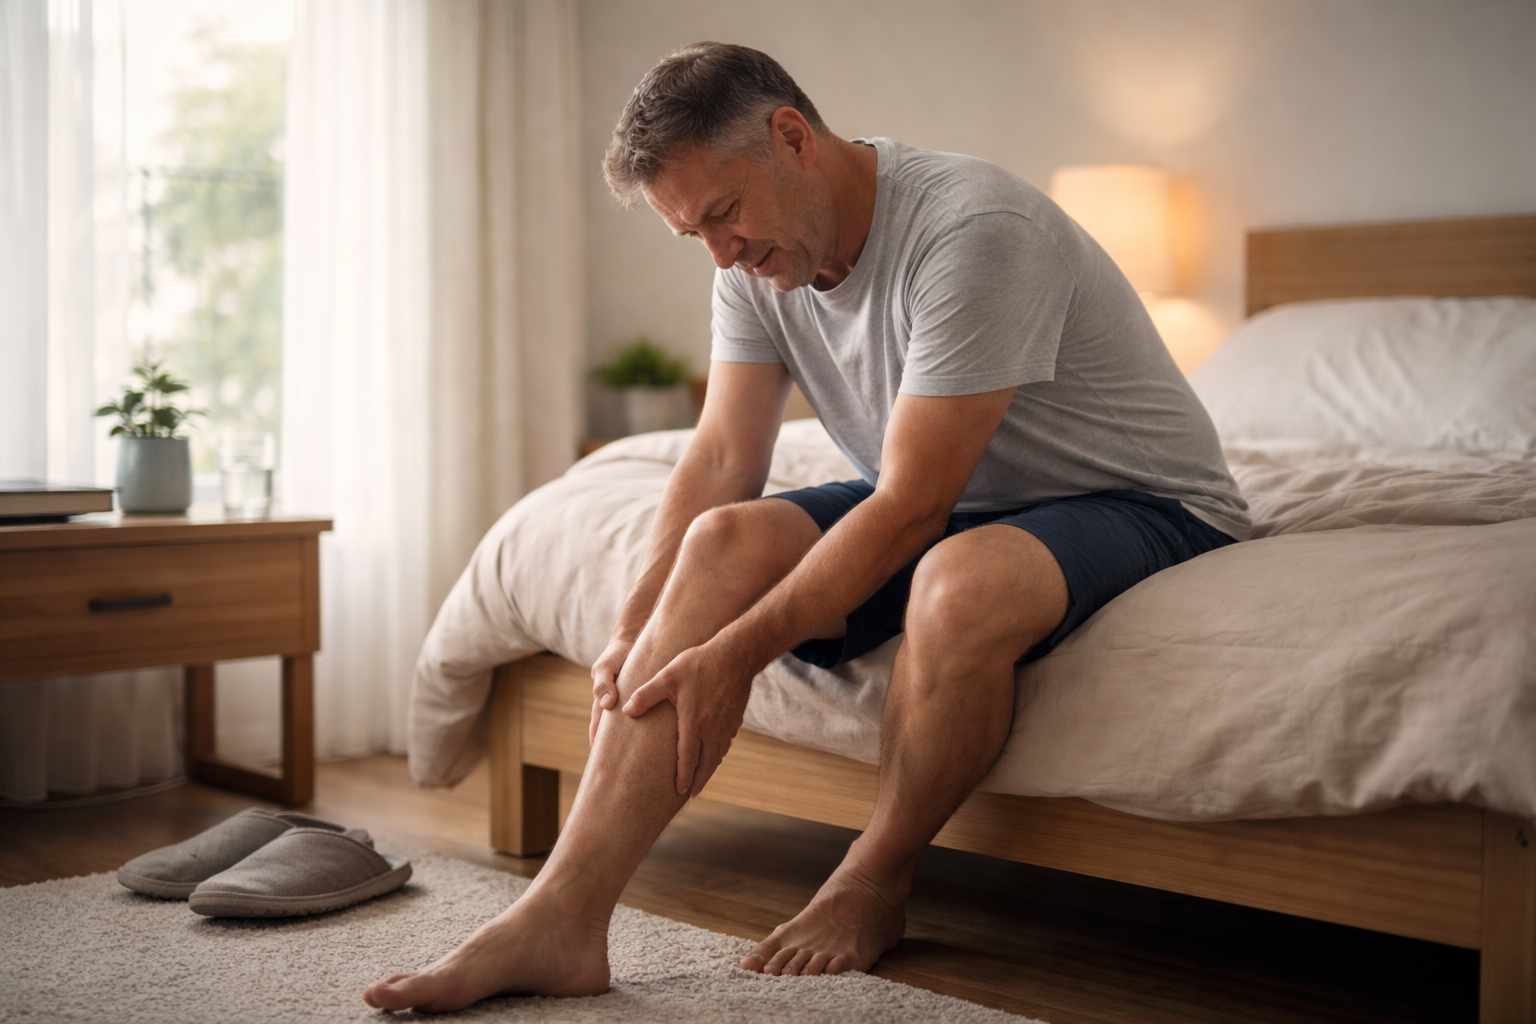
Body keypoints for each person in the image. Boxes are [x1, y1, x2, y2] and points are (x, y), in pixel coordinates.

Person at [364, 41, 1249, 1012]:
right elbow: (716, 462)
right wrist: (635, 621)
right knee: (718, 543)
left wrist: (734, 652)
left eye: (722, 214)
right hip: (950, 494)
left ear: (793, 138)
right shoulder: (747, 261)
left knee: (959, 578)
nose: (720, 252)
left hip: (1138, 499)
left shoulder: (976, 231)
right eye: (690, 232)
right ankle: (561, 916)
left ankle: (874, 879)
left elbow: (911, 504)